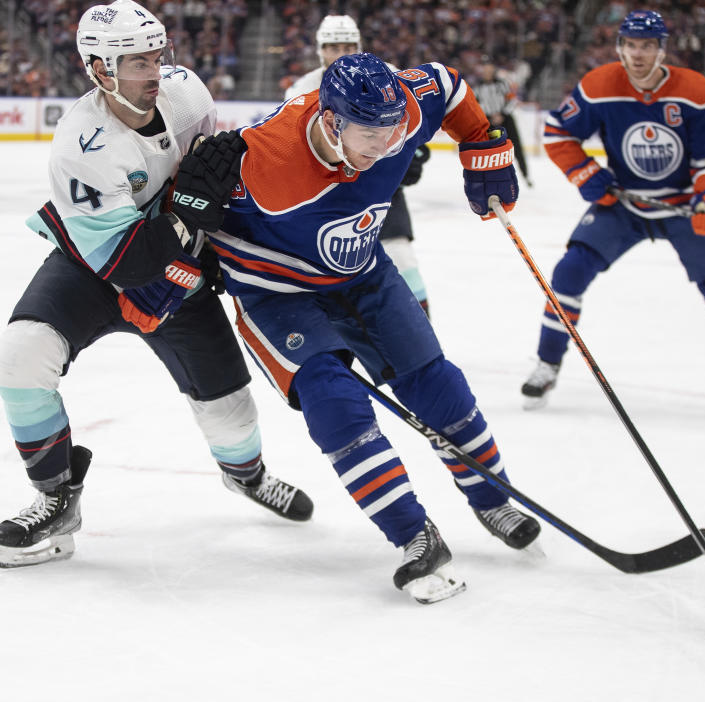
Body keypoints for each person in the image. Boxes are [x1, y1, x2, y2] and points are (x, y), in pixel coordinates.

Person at [180, 52, 539, 603]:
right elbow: (189, 206)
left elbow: (446, 84)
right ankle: (413, 534)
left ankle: (492, 500)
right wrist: (188, 225)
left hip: (363, 271)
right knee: (333, 400)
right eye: (369, 133)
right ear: (331, 120)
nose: (386, 144)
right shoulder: (268, 158)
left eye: (392, 129)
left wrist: (481, 142)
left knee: (435, 382)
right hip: (276, 291)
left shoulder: (404, 110)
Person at [0, 0, 313, 569]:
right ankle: (55, 495)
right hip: (94, 268)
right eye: (135, 63)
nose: (152, 74)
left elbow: (216, 176)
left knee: (233, 411)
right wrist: (191, 214)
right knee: (21, 355)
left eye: (156, 58)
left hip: (175, 264)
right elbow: (131, 262)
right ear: (98, 69)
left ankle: (247, 477)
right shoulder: (81, 143)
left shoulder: (186, 93)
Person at [521, 10, 705, 417]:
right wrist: (586, 173)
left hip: (680, 205)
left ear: (662, 51)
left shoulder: (694, 90)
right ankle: (547, 364)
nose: (637, 55)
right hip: (623, 204)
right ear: (619, 48)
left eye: (647, 46)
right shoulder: (599, 85)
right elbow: (558, 132)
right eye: (630, 45)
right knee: (568, 273)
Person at [285, 15, 433, 317]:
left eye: (348, 45)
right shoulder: (301, 90)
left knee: (403, 260)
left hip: (382, 187)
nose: (341, 53)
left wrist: (415, 153)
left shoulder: (390, 77)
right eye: (333, 47)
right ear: (320, 50)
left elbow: (415, 124)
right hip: (330, 191)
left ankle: (421, 334)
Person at [474, 54, 534, 188]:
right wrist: (489, 116)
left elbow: (512, 100)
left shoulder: (502, 84)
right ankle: (491, 179)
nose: (487, 72)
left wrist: (502, 114)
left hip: (506, 119)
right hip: (489, 122)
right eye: (485, 69)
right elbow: (475, 107)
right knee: (491, 151)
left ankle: (526, 175)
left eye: (489, 69)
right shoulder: (477, 88)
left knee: (516, 147)